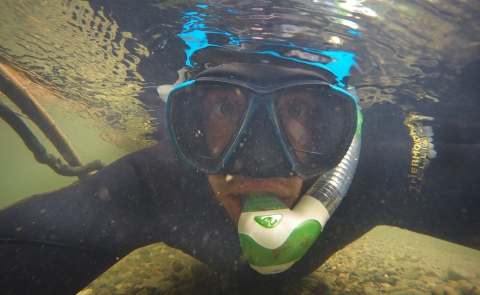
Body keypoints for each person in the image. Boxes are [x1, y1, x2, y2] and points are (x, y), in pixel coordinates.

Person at [1, 3, 480, 295]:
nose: (258, 158)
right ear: (187, 125)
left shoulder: (382, 172)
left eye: (301, 112)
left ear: (342, 126)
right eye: (225, 112)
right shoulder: (156, 183)